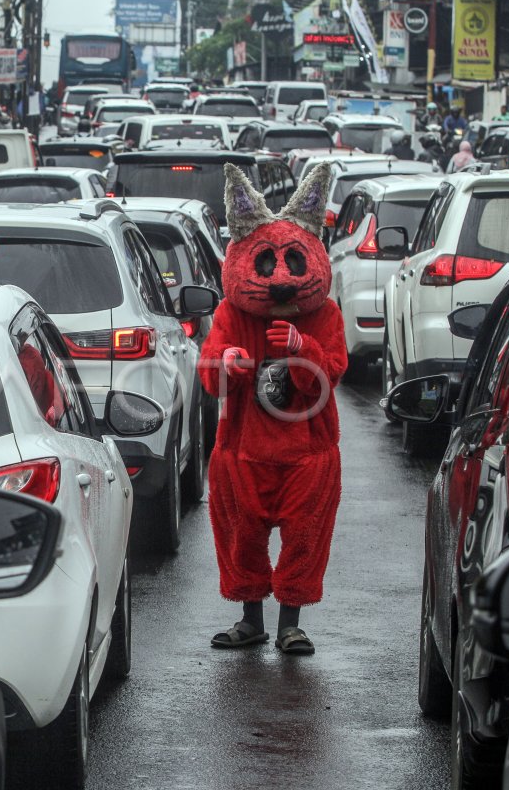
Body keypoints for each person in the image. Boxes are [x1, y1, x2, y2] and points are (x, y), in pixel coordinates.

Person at [201, 164, 346, 657]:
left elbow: (333, 373)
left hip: (308, 454)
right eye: (265, 264)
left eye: (291, 264)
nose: (281, 280)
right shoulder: (230, 314)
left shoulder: (325, 316)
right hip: (241, 451)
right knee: (242, 534)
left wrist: (302, 347)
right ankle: (250, 619)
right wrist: (228, 361)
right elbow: (208, 372)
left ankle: (291, 623)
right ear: (245, 261)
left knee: (304, 537)